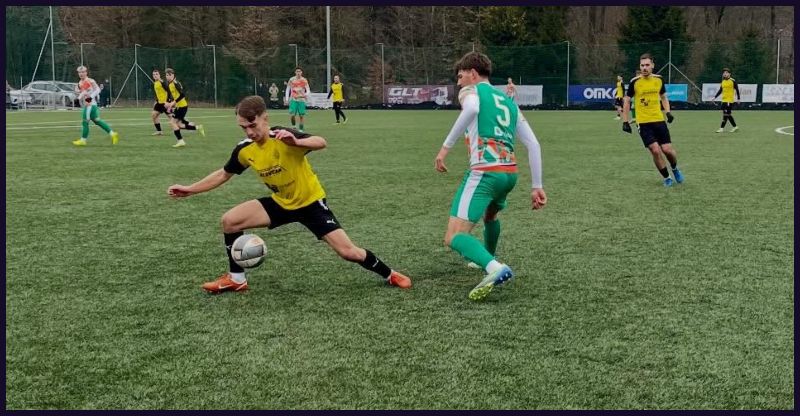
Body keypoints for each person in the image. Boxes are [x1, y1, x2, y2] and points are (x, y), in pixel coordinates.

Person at [167, 95, 412, 293]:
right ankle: (236, 279)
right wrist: (190, 189)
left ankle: (390, 274)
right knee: (230, 221)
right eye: (244, 127)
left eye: (253, 125)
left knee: (348, 252)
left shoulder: (283, 137)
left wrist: (297, 142)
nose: (249, 132)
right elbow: (223, 174)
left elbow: (321, 142)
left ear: (265, 118)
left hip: (311, 203)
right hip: (281, 203)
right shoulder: (244, 150)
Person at [434, 52, 546, 301]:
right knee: (491, 215)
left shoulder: (471, 92)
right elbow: (534, 144)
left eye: (460, 76)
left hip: (485, 172)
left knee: (454, 236)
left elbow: (473, 108)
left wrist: (444, 148)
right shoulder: (508, 101)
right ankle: (487, 257)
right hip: (509, 174)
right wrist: (536, 185)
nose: (459, 82)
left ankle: (494, 267)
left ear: (473, 74)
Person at [622, 53, 684, 187]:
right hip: (643, 122)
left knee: (667, 150)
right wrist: (625, 121)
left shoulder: (659, 80)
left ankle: (674, 168)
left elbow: (664, 97)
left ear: (652, 66)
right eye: (642, 65)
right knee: (655, 150)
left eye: (647, 65)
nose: (644, 68)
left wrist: (668, 112)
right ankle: (667, 178)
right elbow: (626, 101)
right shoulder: (634, 82)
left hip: (658, 120)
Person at [72, 65, 119, 146]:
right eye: (79, 72)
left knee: (85, 122)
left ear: (86, 72)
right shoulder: (80, 82)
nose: (81, 74)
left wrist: (89, 98)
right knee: (97, 121)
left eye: (83, 72)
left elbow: (98, 90)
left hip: (90, 105)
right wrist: (78, 96)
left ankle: (83, 140)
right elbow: (84, 92)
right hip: (90, 105)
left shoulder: (90, 80)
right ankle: (112, 134)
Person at [164, 68, 204, 148]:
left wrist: (172, 103)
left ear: (173, 75)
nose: (167, 76)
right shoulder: (170, 84)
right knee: (179, 125)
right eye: (166, 75)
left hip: (182, 106)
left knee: (172, 122)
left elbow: (182, 95)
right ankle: (198, 127)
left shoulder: (175, 83)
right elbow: (174, 96)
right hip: (179, 107)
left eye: (169, 75)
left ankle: (181, 141)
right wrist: (169, 103)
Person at [713, 68, 741, 133]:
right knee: (727, 114)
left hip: (729, 101)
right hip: (724, 100)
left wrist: (738, 99)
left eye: (726, 73)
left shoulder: (732, 81)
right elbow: (720, 90)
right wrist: (714, 97)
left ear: (729, 74)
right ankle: (735, 127)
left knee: (726, 114)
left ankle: (721, 128)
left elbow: (737, 90)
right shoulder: (723, 81)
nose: (724, 74)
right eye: (724, 73)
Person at [284, 67, 310, 132]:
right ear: (295, 72)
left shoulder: (304, 80)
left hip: (301, 100)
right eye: (297, 71)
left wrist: (304, 95)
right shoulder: (291, 79)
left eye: (299, 71)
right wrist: (287, 99)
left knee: (301, 116)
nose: (298, 73)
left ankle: (301, 130)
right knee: (292, 115)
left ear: (301, 72)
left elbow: (308, 90)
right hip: (293, 99)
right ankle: (294, 126)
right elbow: (288, 89)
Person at [150, 69, 170, 136]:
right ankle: (159, 131)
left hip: (165, 103)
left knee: (172, 118)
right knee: (154, 115)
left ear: (159, 75)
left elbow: (168, 90)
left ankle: (188, 125)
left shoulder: (162, 82)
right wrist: (156, 101)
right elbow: (157, 94)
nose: (155, 75)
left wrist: (168, 101)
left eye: (156, 74)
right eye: (154, 74)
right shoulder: (155, 83)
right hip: (159, 103)